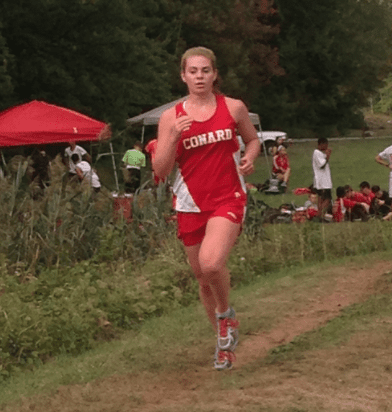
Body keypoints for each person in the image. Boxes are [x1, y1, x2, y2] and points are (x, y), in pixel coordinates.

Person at [153, 46, 260, 371]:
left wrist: (250, 157)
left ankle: (225, 314)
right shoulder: (171, 117)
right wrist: (171, 137)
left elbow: (252, 140)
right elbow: (160, 169)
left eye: (205, 71)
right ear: (183, 76)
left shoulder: (234, 107)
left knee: (211, 264)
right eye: (193, 71)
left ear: (214, 74)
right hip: (189, 203)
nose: (199, 77)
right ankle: (223, 344)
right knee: (201, 277)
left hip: (227, 197)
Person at [312, 137, 332, 219]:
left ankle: (320, 214)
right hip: (323, 181)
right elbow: (321, 165)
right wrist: (327, 156)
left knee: (321, 197)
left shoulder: (320, 153)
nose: (327, 146)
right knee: (327, 198)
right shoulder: (317, 153)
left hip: (323, 180)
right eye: (326, 145)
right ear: (321, 144)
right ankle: (320, 214)